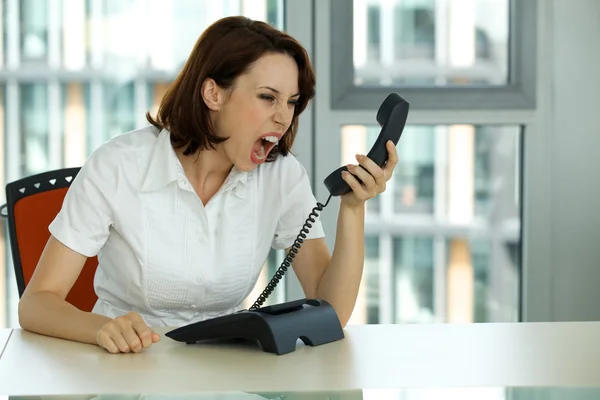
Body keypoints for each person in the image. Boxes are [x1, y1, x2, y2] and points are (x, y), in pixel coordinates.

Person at [17, 16, 398, 354]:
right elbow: (35, 304)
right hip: (127, 368)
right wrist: (101, 328)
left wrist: (352, 207)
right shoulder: (118, 165)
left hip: (227, 367)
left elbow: (332, 310)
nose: (283, 117)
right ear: (213, 94)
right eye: (268, 98)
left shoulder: (282, 176)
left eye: (292, 102)